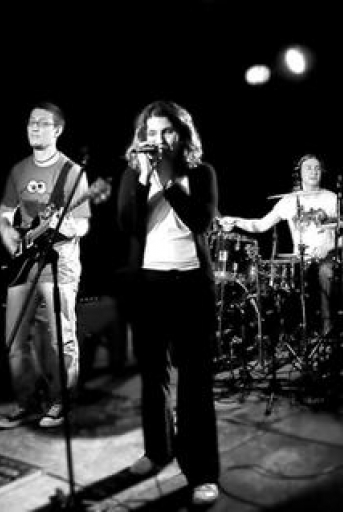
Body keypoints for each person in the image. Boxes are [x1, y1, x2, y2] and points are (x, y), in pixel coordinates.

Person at [117, 100, 220, 506]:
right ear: (142, 137)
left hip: (191, 284)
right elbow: (127, 223)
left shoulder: (201, 173)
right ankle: (157, 451)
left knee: (195, 381)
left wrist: (165, 179)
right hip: (149, 285)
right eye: (152, 133)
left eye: (167, 131)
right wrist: (144, 178)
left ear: (181, 134)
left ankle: (202, 471)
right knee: (152, 374)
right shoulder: (133, 174)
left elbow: (201, 220)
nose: (159, 140)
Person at [0, 101, 91, 429]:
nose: (34, 128)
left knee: (60, 339)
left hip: (59, 265)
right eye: (30, 122)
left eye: (42, 123)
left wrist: (62, 226)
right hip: (23, 266)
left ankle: (62, 401)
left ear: (58, 130)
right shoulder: (18, 170)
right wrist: (11, 238)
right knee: (14, 341)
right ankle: (27, 402)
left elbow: (82, 224)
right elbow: (5, 214)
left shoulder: (72, 172)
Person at [220, 154, 343, 336]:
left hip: (327, 257)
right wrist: (236, 221)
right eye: (308, 168)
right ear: (300, 173)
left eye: (317, 168)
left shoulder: (332, 198)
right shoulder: (289, 200)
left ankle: (327, 328)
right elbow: (261, 225)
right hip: (299, 260)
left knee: (326, 272)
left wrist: (330, 246)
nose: (313, 171)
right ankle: (289, 333)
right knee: (280, 283)